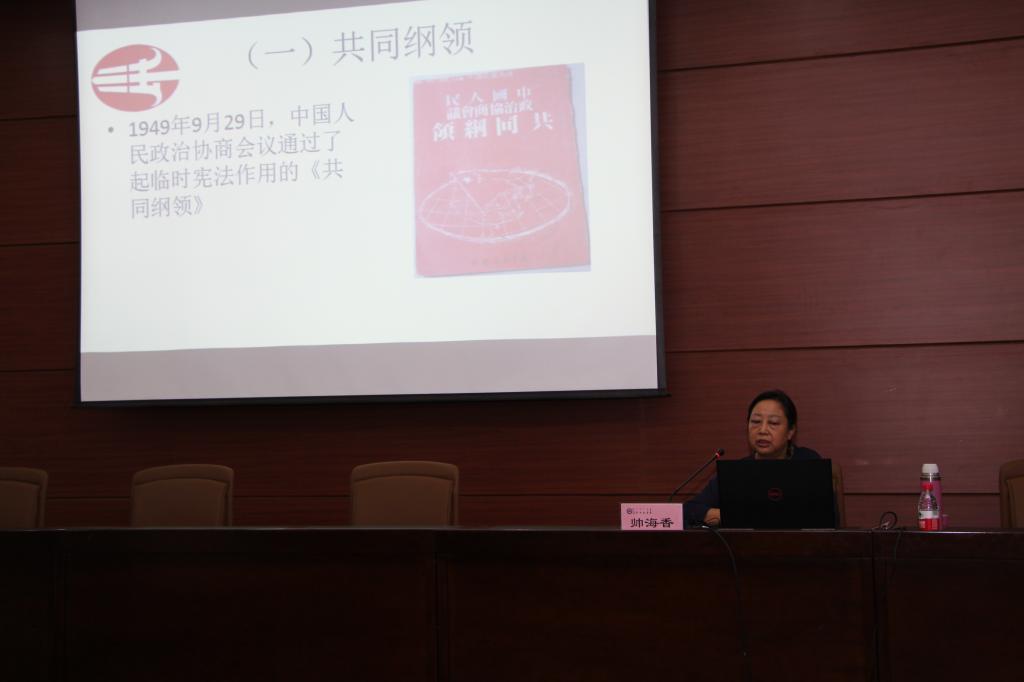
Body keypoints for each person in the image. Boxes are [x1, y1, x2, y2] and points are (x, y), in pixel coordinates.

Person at [683, 389, 822, 528]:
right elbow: (689, 511)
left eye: (773, 423)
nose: (762, 430)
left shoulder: (808, 462)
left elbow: (824, 514)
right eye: (756, 421)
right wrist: (733, 516)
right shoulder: (737, 472)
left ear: (790, 431)